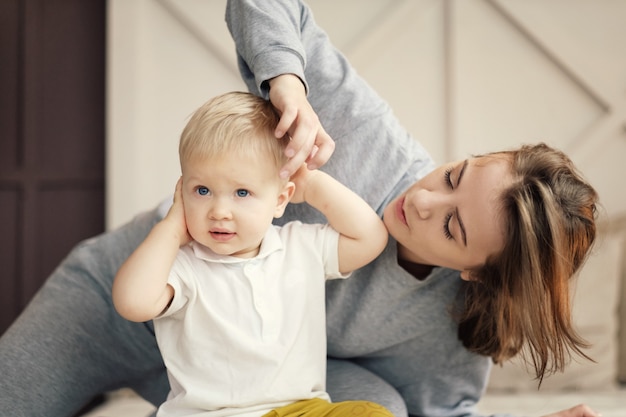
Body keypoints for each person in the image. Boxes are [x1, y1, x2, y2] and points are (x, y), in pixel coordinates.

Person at [0, 1, 600, 417]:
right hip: (118, 304)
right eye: (454, 174)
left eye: (451, 224)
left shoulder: (450, 329)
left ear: (476, 272)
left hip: (236, 386)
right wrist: (288, 83)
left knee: (381, 409)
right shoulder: (366, 136)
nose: (420, 197)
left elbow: (439, 413)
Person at [111, 91, 390, 417]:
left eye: (242, 192)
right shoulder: (184, 265)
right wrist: (172, 228)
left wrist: (311, 184)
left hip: (298, 410)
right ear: (182, 189)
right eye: (202, 191)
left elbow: (370, 238)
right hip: (212, 414)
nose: (219, 211)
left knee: (372, 414)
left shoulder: (300, 247)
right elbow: (133, 303)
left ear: (280, 199)